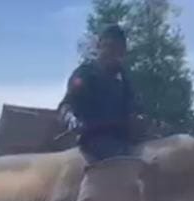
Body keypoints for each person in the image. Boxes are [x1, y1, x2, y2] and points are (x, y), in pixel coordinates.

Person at [57, 24, 136, 163]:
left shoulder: (124, 79)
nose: (113, 53)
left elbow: (135, 107)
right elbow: (67, 104)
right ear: (100, 46)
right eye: (109, 47)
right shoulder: (85, 74)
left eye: (119, 49)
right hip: (92, 141)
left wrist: (140, 119)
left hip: (124, 140)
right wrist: (71, 118)